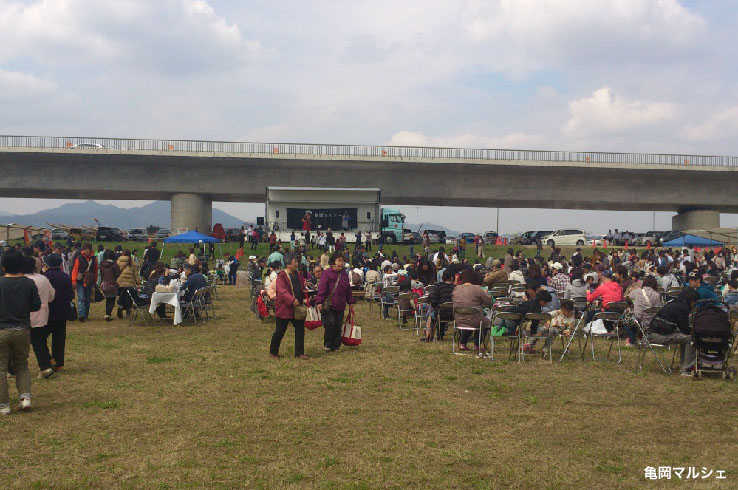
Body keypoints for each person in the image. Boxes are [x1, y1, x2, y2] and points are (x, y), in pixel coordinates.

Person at [0, 249, 41, 415]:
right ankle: (25, 398)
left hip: (1, 330)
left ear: (3, 267)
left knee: (1, 369)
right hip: (22, 329)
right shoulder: (29, 283)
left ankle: (3, 405)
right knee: (22, 365)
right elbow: (36, 305)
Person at [647, 288, 699, 375]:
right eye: (695, 302)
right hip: (657, 336)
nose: (694, 305)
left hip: (652, 333)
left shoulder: (673, 303)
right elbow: (685, 329)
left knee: (684, 338)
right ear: (691, 300)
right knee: (691, 339)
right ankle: (686, 369)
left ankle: (684, 365)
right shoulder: (683, 307)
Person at [270, 253, 308, 359]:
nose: (297, 263)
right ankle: (273, 352)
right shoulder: (281, 276)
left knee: (300, 330)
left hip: (297, 307)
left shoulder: (298, 275)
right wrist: (292, 300)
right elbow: (282, 291)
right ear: (288, 264)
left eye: (297, 261)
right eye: (294, 261)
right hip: (284, 307)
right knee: (280, 331)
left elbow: (301, 288)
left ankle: (299, 353)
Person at [315, 252, 355, 352]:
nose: (341, 263)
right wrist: (319, 301)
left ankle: (336, 345)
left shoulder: (344, 274)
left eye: (342, 261)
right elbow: (322, 288)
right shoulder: (327, 273)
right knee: (330, 324)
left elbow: (348, 290)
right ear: (333, 263)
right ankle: (328, 344)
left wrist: (350, 302)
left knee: (338, 326)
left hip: (341, 304)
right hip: (329, 305)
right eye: (339, 261)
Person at [23, 256, 56, 378]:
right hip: (42, 314)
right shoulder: (43, 278)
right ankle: (47, 363)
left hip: (24, 316)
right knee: (40, 341)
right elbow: (52, 296)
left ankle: (45, 367)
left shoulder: (22, 280)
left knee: (24, 344)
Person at [42, 253, 73, 373]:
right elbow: (70, 293)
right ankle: (58, 362)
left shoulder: (46, 276)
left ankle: (48, 359)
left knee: (40, 337)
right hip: (63, 311)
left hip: (49, 311)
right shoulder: (65, 276)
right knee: (59, 339)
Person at [452, 269, 493, 352]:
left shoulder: (456, 289)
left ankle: (462, 343)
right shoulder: (477, 288)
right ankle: (477, 345)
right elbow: (489, 301)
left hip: (459, 319)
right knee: (486, 322)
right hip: (475, 319)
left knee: (468, 320)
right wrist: (486, 293)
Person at [627, 275, 662, 346]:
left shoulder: (637, 291)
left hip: (639, 320)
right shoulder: (657, 295)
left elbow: (629, 296)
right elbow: (658, 308)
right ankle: (641, 337)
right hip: (651, 321)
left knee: (626, 321)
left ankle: (632, 340)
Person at [424, 269, 455, 341]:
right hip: (453, 314)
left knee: (431, 313)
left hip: (439, 313)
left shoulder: (437, 286)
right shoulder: (455, 288)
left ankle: (429, 334)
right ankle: (440, 334)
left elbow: (433, 302)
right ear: (451, 277)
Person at [71, 243, 98, 322]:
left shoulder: (94, 259)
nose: (86, 251)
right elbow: (75, 270)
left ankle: (85, 314)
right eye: (85, 249)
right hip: (80, 281)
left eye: (88, 249)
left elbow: (96, 270)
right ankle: (81, 315)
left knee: (87, 299)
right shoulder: (79, 258)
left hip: (89, 281)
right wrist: (73, 280)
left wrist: (95, 280)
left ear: (90, 250)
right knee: (81, 298)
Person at [116, 250, 139, 318]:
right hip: (130, 283)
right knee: (129, 297)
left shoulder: (118, 262)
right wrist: (138, 282)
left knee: (121, 295)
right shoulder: (132, 263)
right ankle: (128, 310)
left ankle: (120, 306)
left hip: (120, 282)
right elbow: (136, 274)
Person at [99, 249, 121, 321]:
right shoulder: (114, 264)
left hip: (105, 284)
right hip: (112, 283)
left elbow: (101, 274)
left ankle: (107, 313)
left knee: (108, 299)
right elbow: (118, 273)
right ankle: (108, 314)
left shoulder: (102, 264)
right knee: (112, 299)